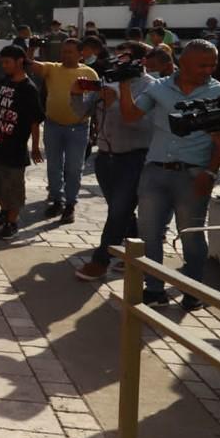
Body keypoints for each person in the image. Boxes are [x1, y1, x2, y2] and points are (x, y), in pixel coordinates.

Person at [116, 39, 220, 310]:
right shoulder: (158, 88)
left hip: (194, 176)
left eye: (212, 64)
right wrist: (122, 83)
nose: (208, 70)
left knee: (191, 235)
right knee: (149, 234)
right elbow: (130, 116)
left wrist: (210, 173)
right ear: (184, 62)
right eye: (202, 64)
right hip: (155, 173)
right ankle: (154, 289)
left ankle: (192, 290)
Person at [68, 43, 155, 281]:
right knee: (122, 211)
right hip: (105, 158)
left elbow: (141, 125)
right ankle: (137, 254)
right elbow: (81, 113)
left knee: (119, 211)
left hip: (134, 158)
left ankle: (100, 261)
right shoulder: (107, 82)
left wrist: (117, 101)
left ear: (140, 61)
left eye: (125, 57)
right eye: (117, 57)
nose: (119, 61)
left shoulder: (152, 88)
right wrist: (76, 93)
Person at [0, 45, 45, 239]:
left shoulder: (29, 89)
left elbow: (34, 120)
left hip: (15, 148)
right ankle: (4, 212)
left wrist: (35, 147)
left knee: (13, 188)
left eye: (7, 62)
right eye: (2, 62)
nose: (4, 66)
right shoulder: (5, 82)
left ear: (20, 61)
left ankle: (12, 222)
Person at [30, 39, 97, 223]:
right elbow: (30, 65)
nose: (65, 55)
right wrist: (32, 49)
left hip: (79, 127)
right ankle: (56, 200)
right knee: (54, 166)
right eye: (63, 51)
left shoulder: (89, 73)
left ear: (80, 54)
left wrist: (95, 129)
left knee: (74, 168)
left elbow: (94, 102)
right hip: (53, 125)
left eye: (70, 52)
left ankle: (70, 204)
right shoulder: (52, 68)